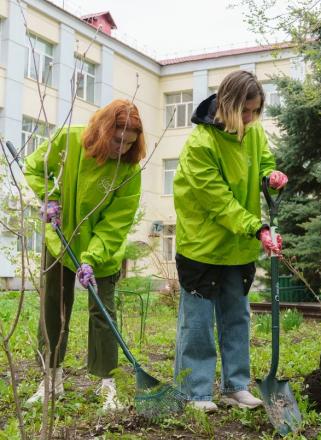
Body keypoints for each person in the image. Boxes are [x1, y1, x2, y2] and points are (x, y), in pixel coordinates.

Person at [172, 70, 287, 413]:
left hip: (238, 246)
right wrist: (258, 228)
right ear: (227, 104)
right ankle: (195, 390)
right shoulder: (200, 144)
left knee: (237, 317)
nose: (251, 118)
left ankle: (236, 386)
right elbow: (218, 200)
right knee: (199, 323)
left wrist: (271, 175)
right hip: (202, 246)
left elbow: (264, 161)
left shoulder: (252, 133)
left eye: (255, 111)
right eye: (245, 111)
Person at [24, 100, 146, 411]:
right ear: (104, 129)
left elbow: (116, 223)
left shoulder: (129, 169)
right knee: (53, 308)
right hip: (59, 241)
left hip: (101, 251)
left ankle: (108, 383)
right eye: (117, 140)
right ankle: (51, 379)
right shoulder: (69, 140)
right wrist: (47, 197)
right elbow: (34, 168)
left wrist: (92, 257)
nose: (121, 148)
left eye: (129, 143)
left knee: (103, 314)